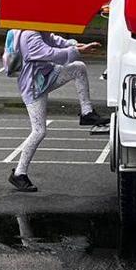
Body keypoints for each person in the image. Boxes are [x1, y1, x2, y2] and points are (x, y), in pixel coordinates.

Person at [7, 30, 109, 192]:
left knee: (78, 68)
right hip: (34, 87)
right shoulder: (29, 35)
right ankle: (19, 174)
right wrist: (76, 50)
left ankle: (87, 113)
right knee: (39, 131)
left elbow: (54, 40)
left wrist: (75, 44)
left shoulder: (39, 28)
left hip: (47, 74)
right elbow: (49, 53)